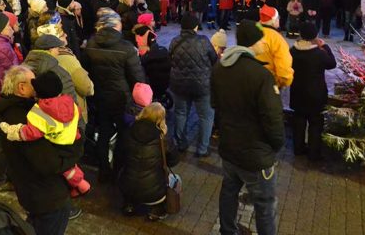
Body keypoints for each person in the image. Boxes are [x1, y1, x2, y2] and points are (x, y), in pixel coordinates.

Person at [211, 20, 285, 235]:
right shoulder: (261, 75)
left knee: (228, 192)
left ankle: (227, 230)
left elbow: (214, 104)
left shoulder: (220, 68)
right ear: (255, 43)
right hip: (256, 155)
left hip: (229, 148)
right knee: (264, 205)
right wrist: (275, 146)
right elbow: (273, 118)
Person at [0, 66, 84, 235]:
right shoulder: (24, 117)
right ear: (22, 87)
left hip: (33, 192)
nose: (38, 88)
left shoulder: (9, 110)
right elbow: (49, 163)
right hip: (47, 197)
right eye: (33, 83)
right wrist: (76, 147)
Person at [0, 70, 90, 197]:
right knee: (71, 169)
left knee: (68, 171)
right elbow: (49, 162)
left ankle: (80, 185)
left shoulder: (39, 111)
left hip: (43, 188)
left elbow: (32, 132)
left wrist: (17, 132)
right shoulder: (69, 102)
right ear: (21, 87)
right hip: (46, 190)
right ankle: (80, 185)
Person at [83, 8, 146, 182]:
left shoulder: (91, 44)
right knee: (124, 133)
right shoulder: (126, 47)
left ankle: (104, 171)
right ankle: (120, 169)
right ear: (114, 26)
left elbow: (86, 71)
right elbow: (137, 77)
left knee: (104, 132)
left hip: (100, 97)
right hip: (122, 98)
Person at [118, 103, 179, 221]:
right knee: (176, 179)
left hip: (127, 185)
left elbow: (120, 156)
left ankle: (129, 205)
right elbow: (173, 161)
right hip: (153, 191)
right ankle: (157, 210)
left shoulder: (128, 131)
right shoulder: (163, 138)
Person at [169, 13, 217, 157]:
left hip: (179, 85)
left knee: (180, 113)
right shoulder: (203, 41)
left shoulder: (174, 41)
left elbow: (170, 59)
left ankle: (180, 143)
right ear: (195, 26)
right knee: (206, 117)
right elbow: (214, 60)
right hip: (202, 86)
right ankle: (202, 148)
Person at [290, 22, 336, 161]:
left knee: (298, 121)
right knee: (316, 124)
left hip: (298, 92)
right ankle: (313, 153)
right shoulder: (318, 54)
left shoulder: (293, 51)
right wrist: (325, 46)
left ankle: (298, 149)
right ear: (315, 35)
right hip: (316, 95)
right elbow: (332, 64)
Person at [255, 5, 294, 89]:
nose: (279, 20)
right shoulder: (277, 39)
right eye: (278, 18)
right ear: (273, 21)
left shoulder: (252, 32)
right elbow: (283, 67)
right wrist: (283, 83)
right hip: (269, 82)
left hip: (252, 79)